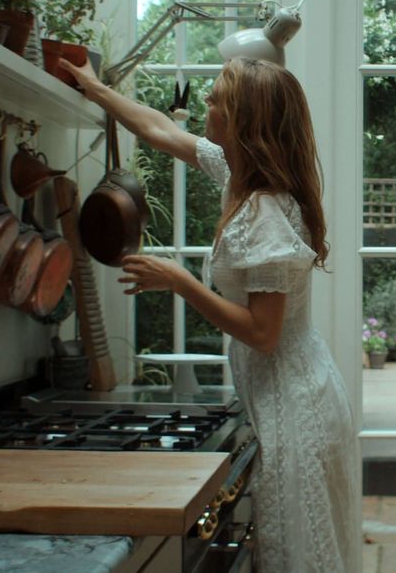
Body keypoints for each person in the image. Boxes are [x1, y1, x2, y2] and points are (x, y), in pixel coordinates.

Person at [60, 57, 357, 572]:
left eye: (217, 98)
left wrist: (179, 281)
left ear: (243, 119)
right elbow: (158, 128)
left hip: (294, 407)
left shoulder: (264, 209)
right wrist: (95, 89)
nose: (206, 103)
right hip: (288, 395)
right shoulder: (237, 174)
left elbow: (263, 335)